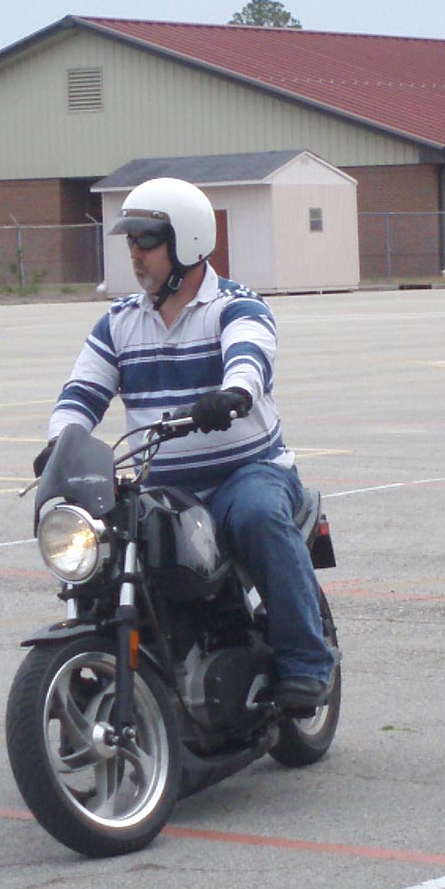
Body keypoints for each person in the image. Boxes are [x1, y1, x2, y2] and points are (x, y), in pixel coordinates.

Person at [34, 176, 334, 711]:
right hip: (168, 487)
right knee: (108, 546)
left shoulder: (236, 307)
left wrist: (234, 394)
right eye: (130, 241)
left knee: (259, 518)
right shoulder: (119, 323)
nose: (135, 253)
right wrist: (61, 440)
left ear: (188, 242)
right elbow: (82, 391)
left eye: (147, 241)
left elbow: (250, 357)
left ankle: (307, 664)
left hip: (247, 474)